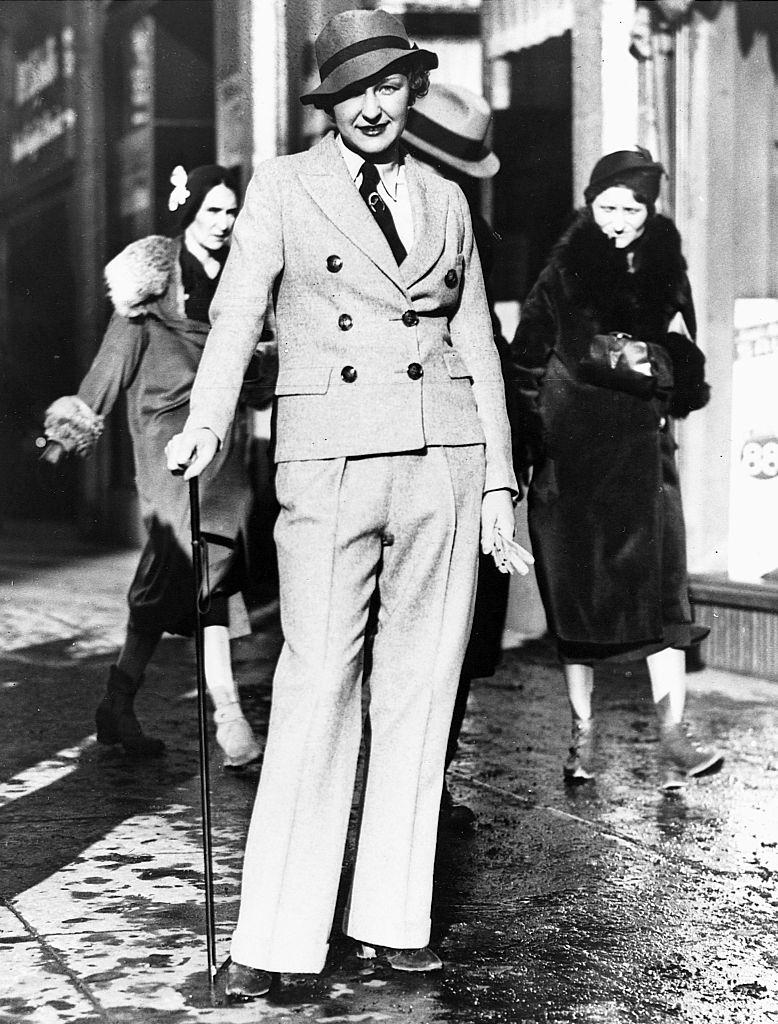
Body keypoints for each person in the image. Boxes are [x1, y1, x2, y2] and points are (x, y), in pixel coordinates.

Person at [165, 8, 527, 999]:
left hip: (441, 459)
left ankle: (391, 917)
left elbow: (478, 351)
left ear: (412, 90)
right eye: (353, 91)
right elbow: (237, 311)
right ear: (329, 102)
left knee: (421, 690)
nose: (373, 107)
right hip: (328, 462)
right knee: (318, 676)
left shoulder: (448, 198)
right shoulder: (284, 186)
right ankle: (276, 935)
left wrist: (496, 480)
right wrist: (205, 421)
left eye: (390, 86)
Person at [510, 146, 724, 791]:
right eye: (607, 206)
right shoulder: (565, 267)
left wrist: (675, 375)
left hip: (641, 451)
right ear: (590, 205)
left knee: (661, 596)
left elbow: (686, 348)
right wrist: (534, 443)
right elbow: (526, 360)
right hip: (573, 454)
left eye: (631, 208)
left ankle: (674, 736)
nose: (618, 220)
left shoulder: (665, 262)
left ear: (649, 209)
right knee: (580, 602)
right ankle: (581, 736)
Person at [43, 165, 261, 769]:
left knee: (187, 570)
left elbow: (258, 353)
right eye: (213, 211)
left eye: (231, 210)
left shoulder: (243, 274)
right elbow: (110, 366)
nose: (224, 222)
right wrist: (71, 428)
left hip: (224, 443)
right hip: (168, 447)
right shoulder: (148, 288)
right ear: (188, 212)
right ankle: (230, 719)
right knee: (202, 567)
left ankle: (119, 703)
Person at [402, 82, 523, 830]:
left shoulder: (465, 227)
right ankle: (415, 785)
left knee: (455, 638)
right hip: (418, 452)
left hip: (465, 452)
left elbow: (491, 355)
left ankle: (427, 783)